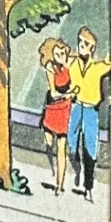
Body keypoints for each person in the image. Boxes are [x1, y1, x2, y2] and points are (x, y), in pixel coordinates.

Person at [67, 26, 111, 202]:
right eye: (80, 42)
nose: (81, 46)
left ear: (92, 48)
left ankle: (88, 186)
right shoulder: (73, 63)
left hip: (90, 110)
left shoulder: (97, 67)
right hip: (76, 107)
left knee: (90, 148)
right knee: (72, 143)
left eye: (85, 44)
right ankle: (77, 170)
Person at [38, 37, 74, 196]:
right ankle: (50, 170)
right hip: (52, 107)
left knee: (61, 148)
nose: (62, 56)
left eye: (63, 53)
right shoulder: (50, 68)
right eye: (58, 54)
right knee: (48, 143)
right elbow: (53, 93)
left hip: (64, 110)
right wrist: (68, 94)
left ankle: (60, 184)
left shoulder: (69, 64)